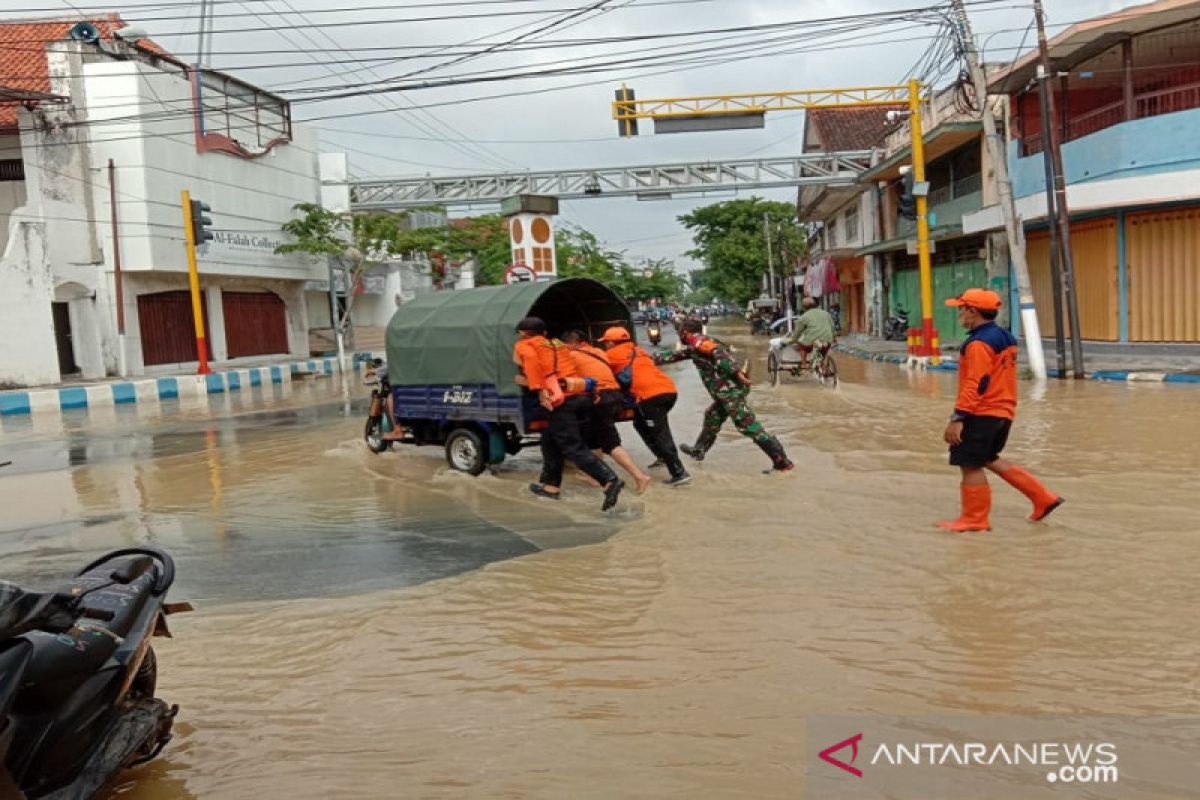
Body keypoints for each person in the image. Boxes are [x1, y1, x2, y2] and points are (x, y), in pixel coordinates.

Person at [937, 289, 1064, 532]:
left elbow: (977, 382)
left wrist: (958, 417)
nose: (959, 314)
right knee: (987, 458)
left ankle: (975, 519)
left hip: (981, 411)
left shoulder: (977, 343)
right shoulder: (1005, 337)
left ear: (972, 311)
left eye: (960, 309)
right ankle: (1043, 498)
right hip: (1003, 411)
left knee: (970, 464)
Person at [513, 317, 624, 511]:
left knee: (572, 446)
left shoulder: (525, 345)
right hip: (580, 395)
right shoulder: (557, 344)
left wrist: (537, 387)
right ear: (545, 333)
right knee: (550, 442)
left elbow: (531, 362)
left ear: (523, 333)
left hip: (561, 400)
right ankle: (550, 487)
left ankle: (609, 480)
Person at [659, 319, 793, 474]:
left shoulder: (699, 341)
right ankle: (699, 450)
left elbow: (719, 353)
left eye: (680, 332)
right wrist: (646, 359)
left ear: (685, 332)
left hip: (730, 393)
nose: (679, 335)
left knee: (749, 426)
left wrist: (737, 373)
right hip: (725, 394)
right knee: (712, 416)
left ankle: (783, 463)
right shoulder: (697, 346)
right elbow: (675, 355)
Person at [597, 326, 691, 486]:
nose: (605, 345)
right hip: (668, 391)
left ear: (611, 342)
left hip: (650, 397)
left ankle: (679, 473)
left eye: (605, 343)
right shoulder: (638, 350)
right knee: (640, 423)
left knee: (660, 433)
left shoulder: (612, 354)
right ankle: (662, 457)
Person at [562, 330, 653, 494]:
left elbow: (567, 378)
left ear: (572, 343)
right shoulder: (599, 352)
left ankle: (639, 476)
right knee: (593, 438)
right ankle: (596, 476)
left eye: (566, 345)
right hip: (616, 396)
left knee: (610, 443)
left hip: (600, 398)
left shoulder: (572, 355)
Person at [780, 296, 836, 368]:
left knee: (802, 346)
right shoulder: (826, 314)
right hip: (827, 341)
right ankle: (822, 363)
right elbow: (832, 328)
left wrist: (789, 341)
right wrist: (834, 338)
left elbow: (796, 335)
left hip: (812, 343)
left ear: (804, 307)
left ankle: (804, 364)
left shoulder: (803, 317)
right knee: (823, 351)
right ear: (815, 305)